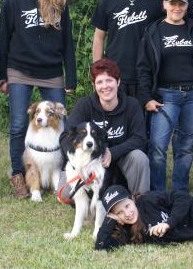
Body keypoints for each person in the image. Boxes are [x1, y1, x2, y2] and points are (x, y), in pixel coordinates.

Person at [0, 0, 77, 198]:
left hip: (51, 71)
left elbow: (67, 43)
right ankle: (19, 175)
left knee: (61, 124)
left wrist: (70, 77)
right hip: (19, 69)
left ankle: (63, 172)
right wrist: (1, 76)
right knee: (20, 124)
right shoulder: (12, 1)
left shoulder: (58, 2)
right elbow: (3, 41)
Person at [136, 0, 193, 192]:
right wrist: (146, 97)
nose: (177, 7)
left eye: (181, 3)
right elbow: (143, 67)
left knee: (185, 148)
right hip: (165, 96)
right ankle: (158, 191)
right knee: (157, 147)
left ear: (186, 6)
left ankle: (180, 191)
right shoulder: (153, 31)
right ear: (164, 5)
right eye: (173, 3)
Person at [58, 59, 149, 196]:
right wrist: (75, 163)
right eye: (100, 82)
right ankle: (92, 197)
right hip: (88, 161)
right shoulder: (84, 105)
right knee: (65, 194)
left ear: (118, 82)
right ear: (94, 85)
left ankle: (140, 201)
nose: (105, 86)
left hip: (121, 160)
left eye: (109, 80)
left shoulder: (132, 105)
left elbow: (140, 138)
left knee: (140, 158)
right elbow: (65, 136)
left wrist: (112, 152)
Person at [91, 0, 163, 97]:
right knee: (114, 117)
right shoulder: (108, 1)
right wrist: (97, 70)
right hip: (114, 72)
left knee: (142, 118)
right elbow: (99, 37)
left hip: (145, 73)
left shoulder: (155, 1)